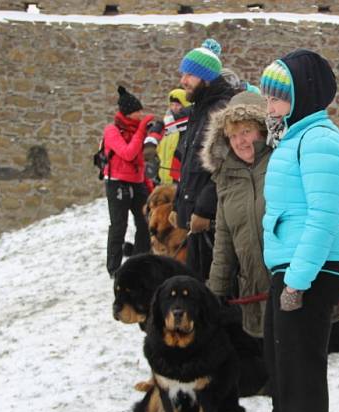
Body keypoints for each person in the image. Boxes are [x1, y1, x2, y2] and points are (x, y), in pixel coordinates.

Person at [200, 91, 339, 412]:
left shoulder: (280, 163)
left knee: (292, 357)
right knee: (274, 354)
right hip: (254, 280)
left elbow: (315, 215)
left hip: (292, 275)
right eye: (233, 134)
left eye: (248, 131)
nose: (241, 140)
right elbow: (225, 238)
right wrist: (214, 291)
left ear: (262, 131)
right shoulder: (224, 177)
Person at [254, 49, 339, 412]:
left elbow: (322, 218)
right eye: (268, 98)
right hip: (298, 264)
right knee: (287, 362)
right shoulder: (298, 136)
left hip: (312, 269)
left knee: (302, 368)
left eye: (277, 98)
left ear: (303, 96)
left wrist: (297, 281)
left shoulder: (318, 141)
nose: (269, 106)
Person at [170, 38, 243, 280]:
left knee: (209, 289)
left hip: (211, 223)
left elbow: (223, 168)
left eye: (190, 74)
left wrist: (202, 210)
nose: (183, 81)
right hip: (196, 222)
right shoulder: (199, 109)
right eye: (183, 74)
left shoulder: (220, 110)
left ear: (207, 77)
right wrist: (177, 205)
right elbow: (191, 164)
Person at [102, 85, 154, 277]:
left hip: (137, 182)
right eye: (137, 111)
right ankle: (114, 269)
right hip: (117, 183)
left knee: (145, 222)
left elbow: (141, 161)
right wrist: (141, 131)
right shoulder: (112, 131)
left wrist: (148, 184)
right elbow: (128, 153)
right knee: (119, 225)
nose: (141, 115)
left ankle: (140, 262)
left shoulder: (138, 130)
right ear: (127, 113)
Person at [156, 88, 191, 184]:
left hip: (178, 176)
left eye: (178, 105)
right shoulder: (166, 123)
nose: (174, 108)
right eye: (172, 105)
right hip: (162, 176)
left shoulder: (186, 126)